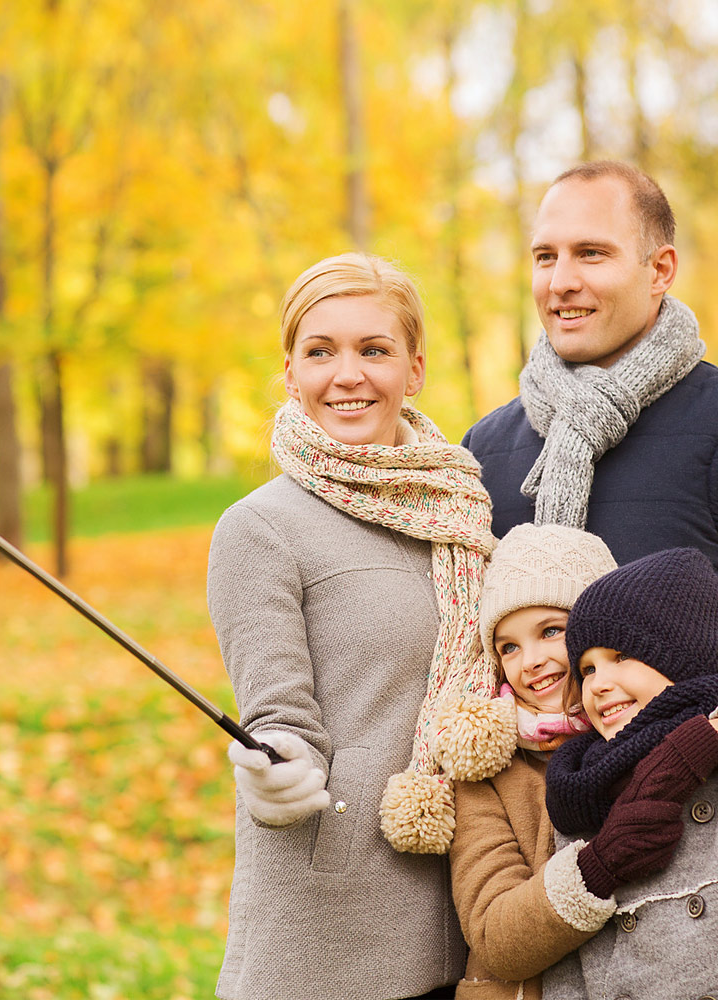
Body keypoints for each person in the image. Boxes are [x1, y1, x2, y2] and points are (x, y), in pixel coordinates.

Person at [207, 252, 511, 1000]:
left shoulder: (463, 509)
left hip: (475, 901)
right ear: (290, 373)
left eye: (373, 350)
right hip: (334, 936)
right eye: (321, 352)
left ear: (414, 369)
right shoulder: (260, 528)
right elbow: (279, 714)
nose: (347, 375)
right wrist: (273, 768)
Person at [461, 161, 718, 568]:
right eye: (545, 257)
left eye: (591, 254)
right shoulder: (481, 451)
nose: (560, 282)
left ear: (660, 270)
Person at [448, 523, 618, 999]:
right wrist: (600, 864)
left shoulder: (648, 733)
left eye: (550, 631)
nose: (530, 661)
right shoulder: (486, 767)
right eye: (509, 647)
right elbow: (495, 937)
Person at [541, 546, 718, 999]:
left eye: (621, 655)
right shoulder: (580, 788)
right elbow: (571, 970)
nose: (597, 683)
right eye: (587, 668)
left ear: (684, 650)